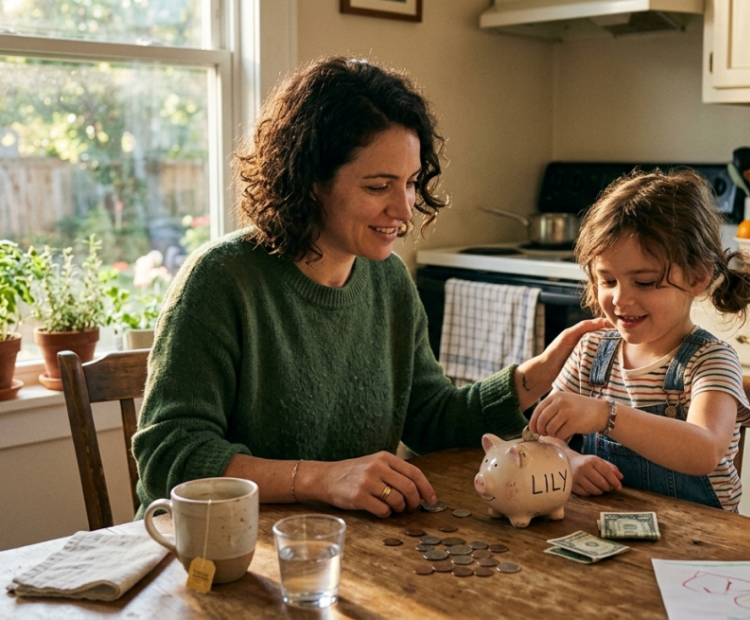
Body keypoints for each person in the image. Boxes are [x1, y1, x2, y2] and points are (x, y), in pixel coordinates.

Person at [132, 55, 605, 519]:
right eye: (379, 187)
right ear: (311, 180)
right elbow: (169, 457)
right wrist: (321, 479)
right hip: (212, 556)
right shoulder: (221, 280)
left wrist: (530, 379)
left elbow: (429, 417)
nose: (403, 211)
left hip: (340, 547)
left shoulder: (388, 280)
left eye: (411, 183)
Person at [528, 169, 750, 512]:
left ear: (697, 277)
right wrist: (568, 460)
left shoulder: (710, 361)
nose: (621, 300)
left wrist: (605, 415)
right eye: (607, 281)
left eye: (646, 282)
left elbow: (705, 450)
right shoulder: (592, 351)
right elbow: (542, 435)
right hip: (609, 530)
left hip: (701, 543)